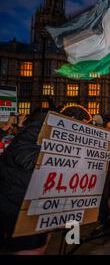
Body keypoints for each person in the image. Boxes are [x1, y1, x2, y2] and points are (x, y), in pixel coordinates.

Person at [0, 105, 91, 254]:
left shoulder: (55, 131)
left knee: (42, 243)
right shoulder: (40, 127)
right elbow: (25, 157)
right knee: (31, 249)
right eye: (82, 127)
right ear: (72, 121)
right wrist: (65, 157)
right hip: (18, 201)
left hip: (37, 202)